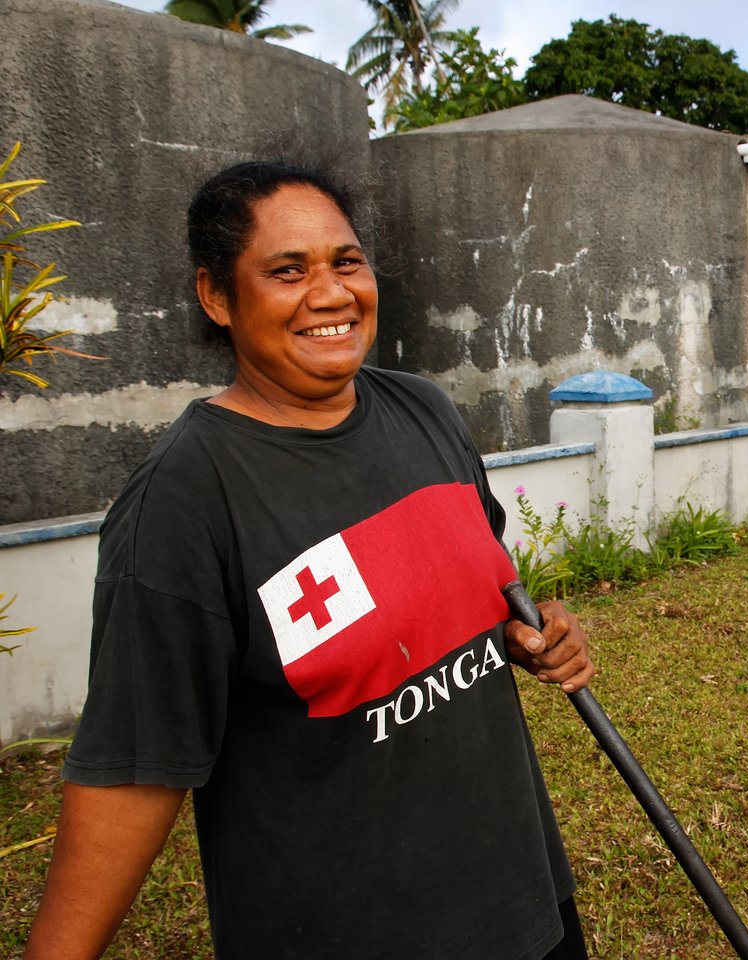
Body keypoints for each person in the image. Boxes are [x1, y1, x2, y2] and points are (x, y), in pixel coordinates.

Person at [25, 160, 596, 960]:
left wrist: (532, 632)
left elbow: (481, 583)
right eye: (287, 271)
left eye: (346, 262)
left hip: (520, 899)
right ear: (217, 296)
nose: (330, 295)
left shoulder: (422, 412)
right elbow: (135, 771)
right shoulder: (186, 500)